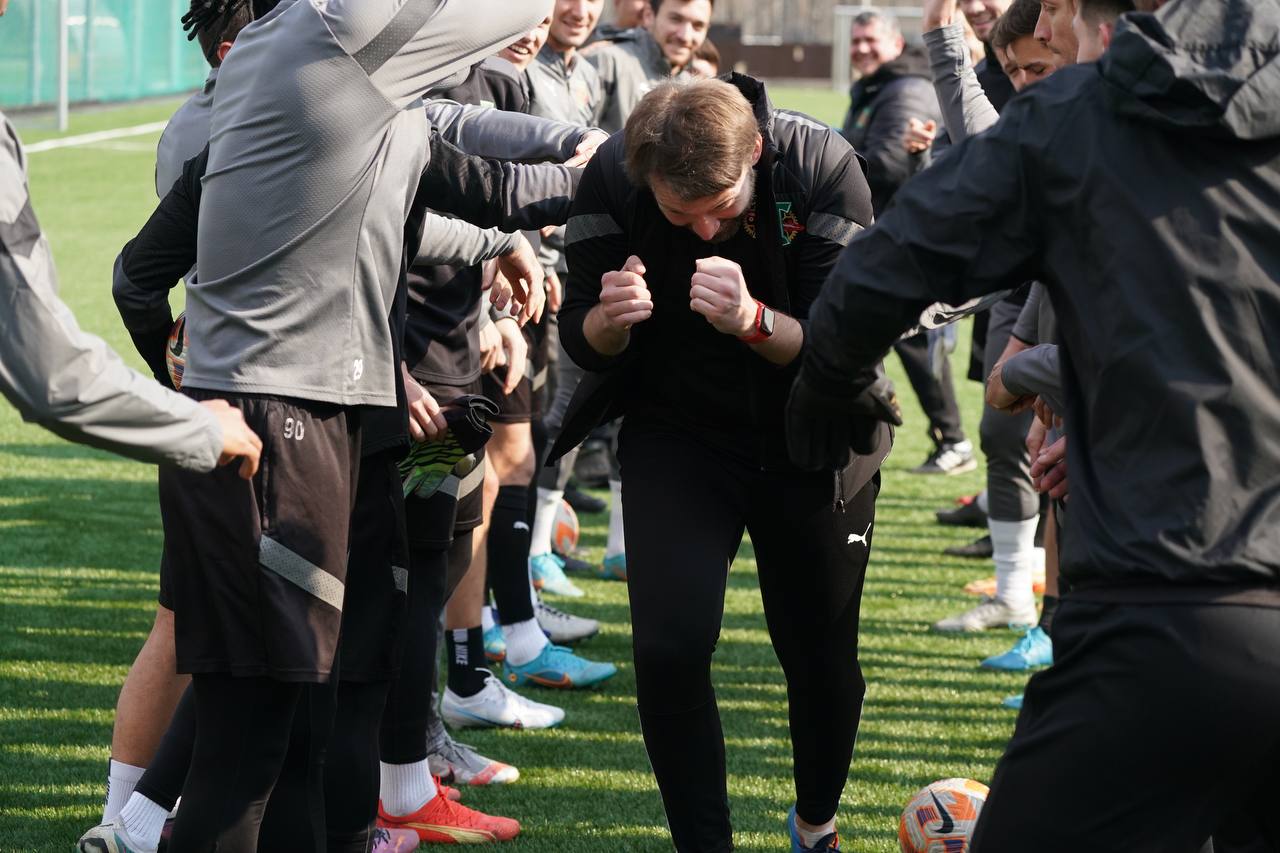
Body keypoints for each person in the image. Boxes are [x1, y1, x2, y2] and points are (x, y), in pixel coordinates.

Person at [789, 1, 1280, 849]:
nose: (1043, 30)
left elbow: (883, 270)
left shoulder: (1076, 116)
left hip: (1167, 612)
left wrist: (823, 384)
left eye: (1056, 9)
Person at [153, 0, 552, 847]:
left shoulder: (395, 92)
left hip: (403, 400)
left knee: (388, 613)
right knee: (261, 697)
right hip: (325, 413)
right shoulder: (303, 72)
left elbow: (453, 184)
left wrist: (531, 217)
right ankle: (139, 806)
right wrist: (185, 377)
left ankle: (411, 769)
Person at [557, 75, 891, 853]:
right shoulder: (614, 171)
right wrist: (608, 321)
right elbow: (579, 335)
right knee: (668, 649)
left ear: (756, 153)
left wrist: (753, 321)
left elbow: (847, 349)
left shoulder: (823, 165)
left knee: (820, 658)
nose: (704, 230)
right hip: (679, 433)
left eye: (724, 207)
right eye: (680, 213)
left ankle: (816, 824)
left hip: (814, 433)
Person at [840, 9, 973, 477]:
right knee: (906, 344)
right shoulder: (878, 88)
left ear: (895, 44)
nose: (860, 48)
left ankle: (951, 441)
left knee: (913, 342)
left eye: (870, 40)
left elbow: (887, 168)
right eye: (855, 40)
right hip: (891, 242)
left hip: (905, 244)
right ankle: (948, 440)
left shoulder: (906, 90)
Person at [584, 0, 713, 133]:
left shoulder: (693, 86)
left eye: (698, 26)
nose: (685, 36)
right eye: (675, 19)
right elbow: (573, 141)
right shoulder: (607, 62)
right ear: (649, 16)